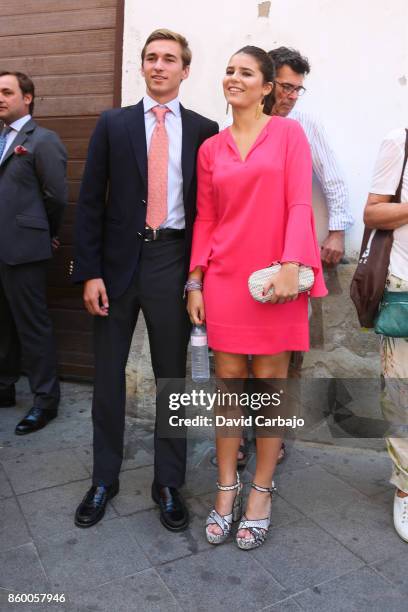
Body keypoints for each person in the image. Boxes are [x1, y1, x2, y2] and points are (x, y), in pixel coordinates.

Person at [73, 29, 218, 531]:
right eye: (151, 58)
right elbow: (90, 201)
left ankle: (168, 483)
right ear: (142, 67)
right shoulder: (114, 124)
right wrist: (88, 271)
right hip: (115, 266)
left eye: (169, 59)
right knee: (108, 377)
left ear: (185, 69)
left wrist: (198, 276)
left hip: (172, 261)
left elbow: (209, 211)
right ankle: (103, 478)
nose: (159, 66)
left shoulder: (205, 129)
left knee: (171, 381)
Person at [187, 46, 327, 550]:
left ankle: (261, 492)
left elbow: (297, 202)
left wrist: (293, 264)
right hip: (224, 281)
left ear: (267, 87)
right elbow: (205, 218)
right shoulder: (210, 148)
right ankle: (226, 490)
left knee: (270, 396)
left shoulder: (289, 134)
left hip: (276, 281)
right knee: (227, 392)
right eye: (228, 70)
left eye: (245, 72)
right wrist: (195, 279)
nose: (233, 78)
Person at [0, 71, 67, 435]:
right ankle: (4, 387)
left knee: (32, 326)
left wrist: (47, 234)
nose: (0, 98)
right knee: (2, 325)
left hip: (25, 249)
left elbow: (57, 196)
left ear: (27, 98)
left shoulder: (42, 141)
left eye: (7, 92)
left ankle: (45, 401)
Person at [364, 127, 408, 542]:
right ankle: (405, 487)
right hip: (405, 289)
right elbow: (373, 213)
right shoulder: (399, 141)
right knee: (401, 395)